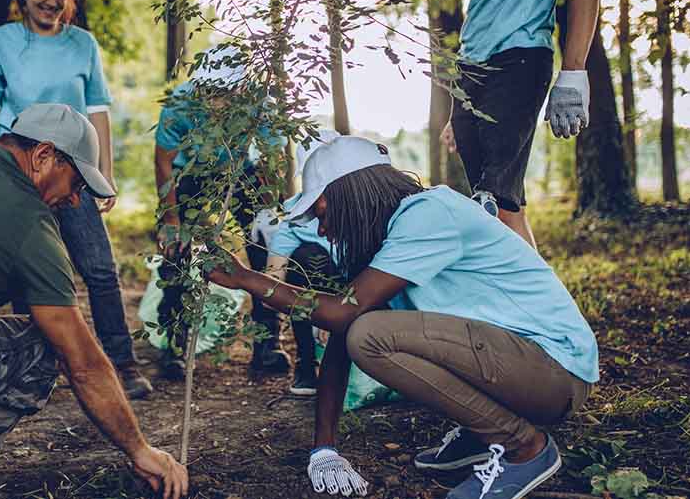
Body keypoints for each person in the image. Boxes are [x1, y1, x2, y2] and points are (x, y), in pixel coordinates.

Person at [207, 136, 598, 499]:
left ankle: (524, 448)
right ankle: (482, 433)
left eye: (321, 211)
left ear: (353, 193)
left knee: (371, 336)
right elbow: (340, 330)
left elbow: (347, 315)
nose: (321, 227)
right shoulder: (388, 242)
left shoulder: (430, 214)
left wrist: (247, 279)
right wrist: (323, 448)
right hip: (513, 368)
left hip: (554, 374)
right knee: (363, 331)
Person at [0, 104, 188, 499]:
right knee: (40, 348)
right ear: (43, 155)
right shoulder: (32, 228)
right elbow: (81, 362)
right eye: (77, 185)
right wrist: (139, 449)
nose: (74, 200)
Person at [0, 0, 152, 398]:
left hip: (74, 174)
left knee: (100, 270)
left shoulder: (82, 44)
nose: (50, 1)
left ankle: (121, 361)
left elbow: (99, 110)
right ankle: (31, 366)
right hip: (21, 173)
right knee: (22, 273)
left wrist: (104, 172)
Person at [154, 44, 290, 378]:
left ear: (241, 88)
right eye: (208, 91)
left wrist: (267, 209)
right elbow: (163, 160)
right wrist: (171, 219)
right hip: (190, 172)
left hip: (240, 172)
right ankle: (175, 345)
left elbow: (275, 158)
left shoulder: (260, 103)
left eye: (221, 93)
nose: (213, 101)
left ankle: (267, 344)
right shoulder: (181, 102)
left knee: (266, 247)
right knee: (177, 251)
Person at [442, 0, 601, 248]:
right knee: (505, 210)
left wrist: (574, 70)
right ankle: (532, 291)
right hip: (470, 66)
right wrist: (461, 101)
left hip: (520, 57)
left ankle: (537, 292)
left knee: (493, 201)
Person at [262, 129, 344, 395]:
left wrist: (338, 313)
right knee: (306, 258)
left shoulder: (364, 207)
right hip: (315, 285)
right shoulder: (295, 214)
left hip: (358, 287)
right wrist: (275, 291)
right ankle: (306, 363)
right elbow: (276, 271)